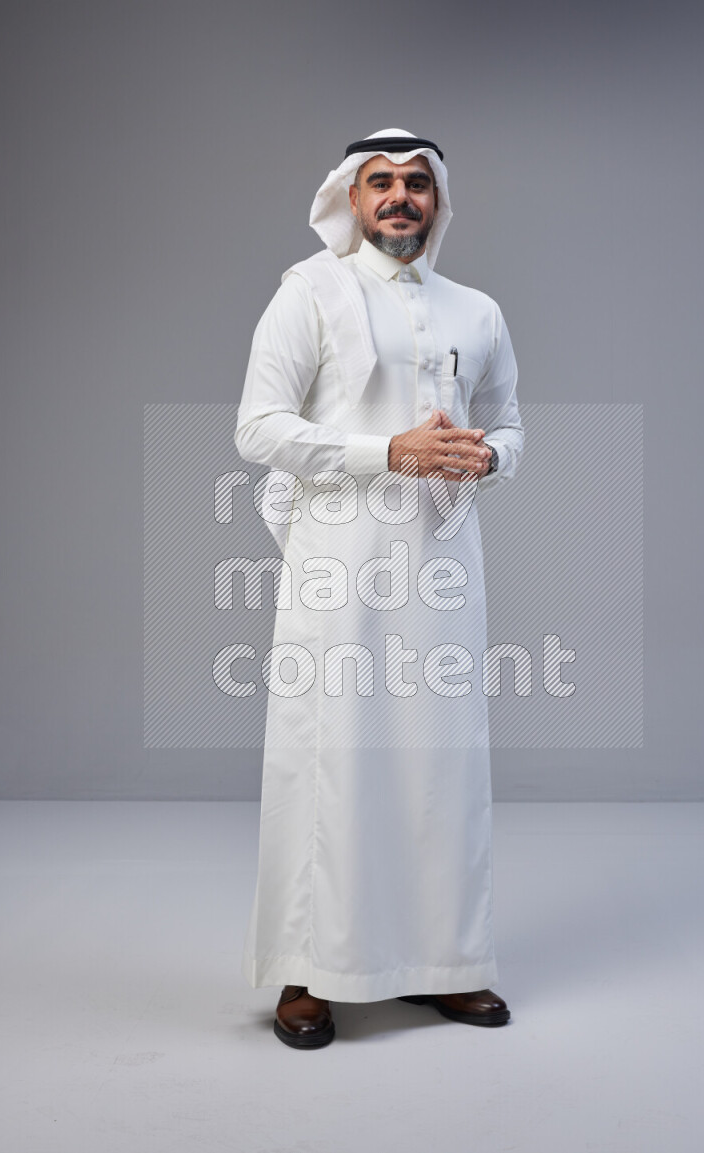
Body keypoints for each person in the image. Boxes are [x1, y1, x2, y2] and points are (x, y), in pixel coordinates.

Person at [234, 128, 524, 1048]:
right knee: (331, 763)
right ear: (351, 201)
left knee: (440, 762)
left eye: (416, 184)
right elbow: (259, 428)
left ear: (437, 201)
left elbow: (512, 424)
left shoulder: (477, 309)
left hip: (442, 568)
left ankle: (445, 966)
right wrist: (386, 450)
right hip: (338, 565)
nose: (400, 198)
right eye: (380, 184)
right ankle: (307, 973)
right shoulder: (308, 292)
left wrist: (488, 456)